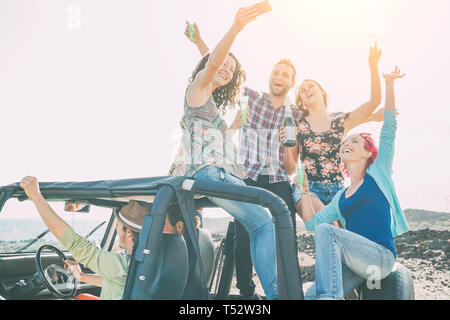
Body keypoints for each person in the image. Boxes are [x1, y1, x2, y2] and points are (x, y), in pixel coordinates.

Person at [185, 20, 301, 300]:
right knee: (252, 232)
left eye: (285, 74)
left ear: (290, 82)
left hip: (273, 179)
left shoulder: (294, 115)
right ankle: (255, 293)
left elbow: (217, 69)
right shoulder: (250, 97)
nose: (279, 76)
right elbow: (214, 66)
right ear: (270, 75)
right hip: (241, 176)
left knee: (279, 232)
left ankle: (285, 289)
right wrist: (202, 42)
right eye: (276, 71)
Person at [297, 67, 410, 300]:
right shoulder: (342, 197)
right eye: (345, 141)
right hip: (356, 264)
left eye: (355, 141)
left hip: (379, 258)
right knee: (309, 296)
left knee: (328, 233)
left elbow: (389, 128)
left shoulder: (379, 173)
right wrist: (305, 192)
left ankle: (330, 297)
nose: (347, 142)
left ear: (368, 153)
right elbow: (312, 224)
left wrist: (389, 83)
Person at [19, 176, 184, 300]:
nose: (117, 228)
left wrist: (36, 198)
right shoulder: (149, 262)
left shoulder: (121, 264)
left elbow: (74, 242)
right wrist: (82, 277)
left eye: (118, 224)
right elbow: (118, 283)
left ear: (128, 232)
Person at [283, 43, 384, 226]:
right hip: (308, 188)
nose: (306, 90)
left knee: (347, 239)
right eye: (302, 91)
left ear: (321, 91)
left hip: (338, 190)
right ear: (302, 101)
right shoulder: (299, 125)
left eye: (310, 86)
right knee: (330, 229)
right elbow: (290, 163)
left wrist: (373, 66)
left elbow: (375, 101)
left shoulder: (340, 121)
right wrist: (285, 144)